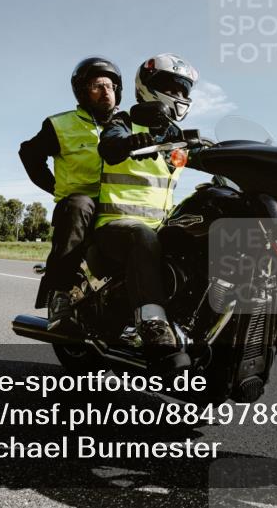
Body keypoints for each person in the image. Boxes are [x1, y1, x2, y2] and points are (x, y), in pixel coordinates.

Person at [94, 53, 198, 369]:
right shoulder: (123, 121)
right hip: (118, 225)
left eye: (184, 91)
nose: (178, 97)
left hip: (159, 229)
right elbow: (109, 146)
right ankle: (152, 324)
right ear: (147, 87)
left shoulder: (178, 138)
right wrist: (130, 141)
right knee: (141, 235)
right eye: (171, 88)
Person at [19, 56, 122, 330]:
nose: (106, 91)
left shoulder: (128, 126)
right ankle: (61, 292)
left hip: (121, 206)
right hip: (79, 207)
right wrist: (54, 187)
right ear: (82, 91)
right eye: (97, 86)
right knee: (79, 204)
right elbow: (29, 153)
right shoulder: (61, 125)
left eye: (111, 85)